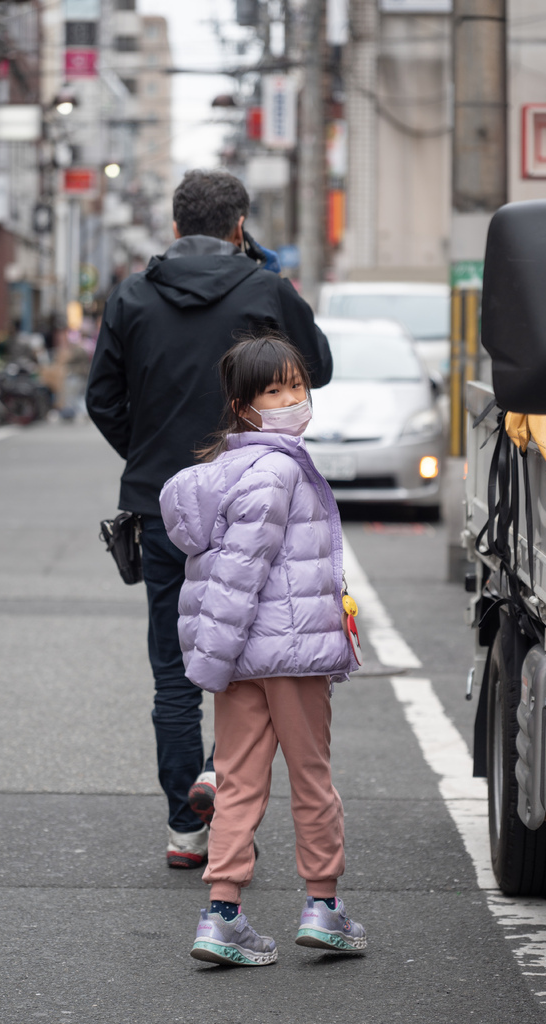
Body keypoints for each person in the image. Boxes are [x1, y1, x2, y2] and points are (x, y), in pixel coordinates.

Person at [86, 170, 332, 869]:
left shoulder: (132, 295)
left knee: (173, 673)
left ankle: (185, 830)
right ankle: (219, 781)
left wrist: (151, 457)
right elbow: (316, 367)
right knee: (245, 663)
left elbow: (102, 398)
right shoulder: (263, 291)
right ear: (238, 227)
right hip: (254, 501)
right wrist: (268, 274)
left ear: (172, 227)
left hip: (160, 502)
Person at [159, 331, 366, 966]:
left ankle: (223, 914)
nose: (291, 399)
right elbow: (242, 571)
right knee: (311, 778)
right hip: (293, 655)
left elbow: (223, 574)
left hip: (244, 660)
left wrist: (218, 662)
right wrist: (211, 661)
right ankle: (323, 905)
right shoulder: (278, 470)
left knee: (237, 781)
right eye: (274, 390)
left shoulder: (221, 472)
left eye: (297, 385)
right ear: (243, 405)